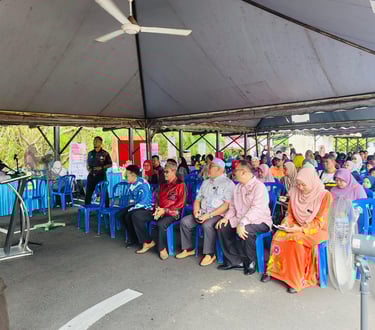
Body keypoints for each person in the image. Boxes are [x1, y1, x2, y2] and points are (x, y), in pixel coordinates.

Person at [262, 168, 333, 293]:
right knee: (278, 236)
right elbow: (290, 214)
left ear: (311, 182)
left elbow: (320, 221)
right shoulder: (294, 192)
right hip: (296, 225)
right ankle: (273, 272)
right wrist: (287, 225)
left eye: (303, 184)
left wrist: (300, 229)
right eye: (298, 184)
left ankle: (294, 279)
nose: (300, 187)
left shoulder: (324, 195)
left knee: (296, 241)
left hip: (316, 229)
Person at [215, 160, 272, 275]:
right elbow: (232, 207)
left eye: (236, 170)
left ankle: (250, 261)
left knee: (246, 229)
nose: (234, 173)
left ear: (244, 172)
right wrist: (226, 218)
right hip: (240, 218)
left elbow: (257, 210)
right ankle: (234, 260)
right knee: (222, 226)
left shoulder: (259, 187)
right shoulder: (238, 187)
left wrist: (242, 223)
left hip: (260, 221)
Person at [176, 158, 235, 266]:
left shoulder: (228, 184)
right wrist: (196, 211)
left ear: (219, 170)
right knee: (185, 222)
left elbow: (226, 205)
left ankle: (209, 254)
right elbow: (197, 199)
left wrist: (209, 215)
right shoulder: (206, 182)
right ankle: (188, 248)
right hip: (202, 212)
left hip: (217, 214)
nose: (208, 168)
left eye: (211, 166)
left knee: (207, 225)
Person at [134, 162, 185, 260]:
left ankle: (162, 248)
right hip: (159, 211)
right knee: (136, 215)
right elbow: (156, 198)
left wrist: (165, 210)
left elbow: (180, 204)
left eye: (167, 172)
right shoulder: (163, 184)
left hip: (172, 213)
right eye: (164, 172)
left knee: (161, 224)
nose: (164, 174)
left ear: (174, 171)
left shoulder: (180, 185)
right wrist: (157, 208)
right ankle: (147, 242)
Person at [120, 165, 153, 247]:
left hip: (146, 207)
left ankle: (145, 240)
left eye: (127, 175)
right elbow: (131, 200)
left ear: (133, 175)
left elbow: (144, 202)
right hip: (137, 206)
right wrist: (131, 207)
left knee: (129, 215)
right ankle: (134, 237)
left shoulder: (143, 184)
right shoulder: (131, 184)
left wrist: (132, 209)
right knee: (120, 215)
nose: (125, 177)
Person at [85, 136, 112, 207]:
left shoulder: (105, 153)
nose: (95, 142)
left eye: (96, 141)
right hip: (91, 176)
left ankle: (106, 208)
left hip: (101, 176)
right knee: (88, 193)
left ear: (100, 143)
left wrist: (101, 167)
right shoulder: (90, 153)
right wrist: (88, 168)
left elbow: (110, 164)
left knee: (104, 193)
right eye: (94, 141)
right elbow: (88, 164)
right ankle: (87, 209)